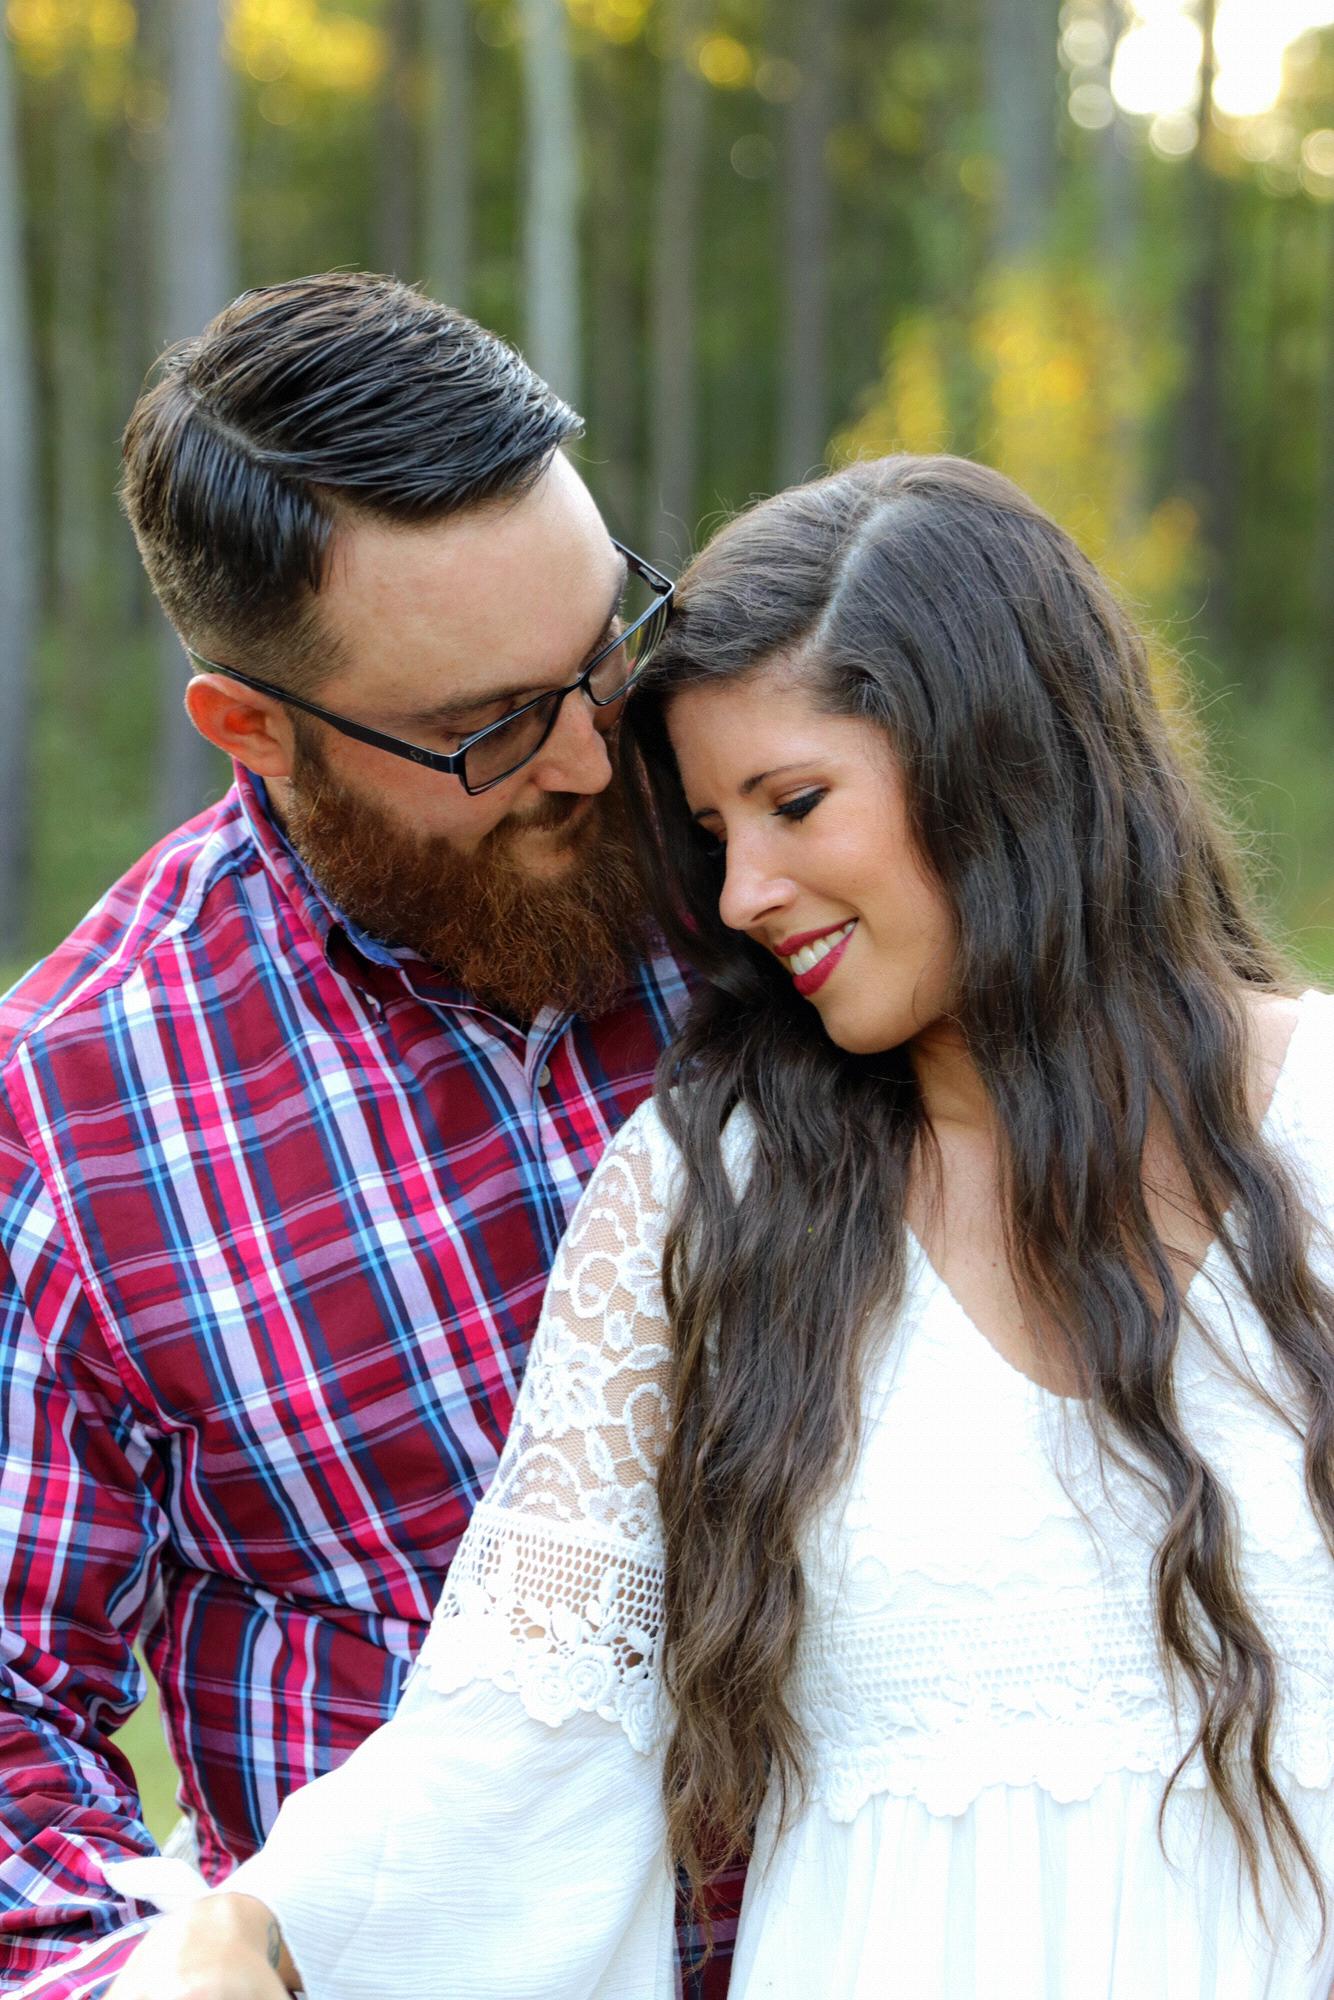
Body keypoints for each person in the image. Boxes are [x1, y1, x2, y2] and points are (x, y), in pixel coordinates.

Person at [104, 453, 1334, 2000]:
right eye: (710, 831)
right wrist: (256, 1934)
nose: (741, 894)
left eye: (793, 804)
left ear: (1002, 759)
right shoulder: (710, 1192)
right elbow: (533, 1717)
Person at [0, 272, 743, 1996]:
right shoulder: (74, 1118)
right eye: (485, 726)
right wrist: (166, 1973)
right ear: (251, 728)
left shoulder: (773, 856)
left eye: (603, 649)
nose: (589, 759)